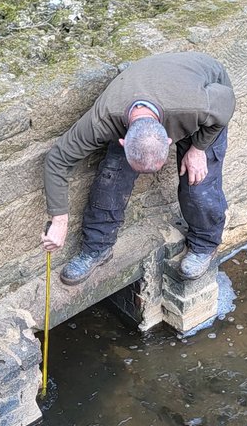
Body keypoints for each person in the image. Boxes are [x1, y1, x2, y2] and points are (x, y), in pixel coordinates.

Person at [42, 51, 235, 285]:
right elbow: (57, 159)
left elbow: (226, 101)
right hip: (144, 93)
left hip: (203, 88)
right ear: (123, 141)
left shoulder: (199, 107)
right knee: (111, 177)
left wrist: (198, 148)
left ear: (168, 140)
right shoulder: (103, 120)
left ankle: (204, 244)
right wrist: (59, 220)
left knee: (198, 186)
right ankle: (96, 249)